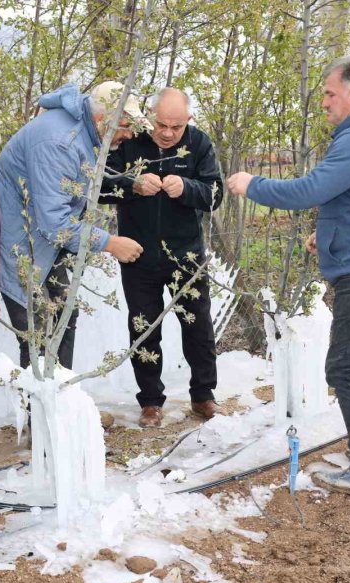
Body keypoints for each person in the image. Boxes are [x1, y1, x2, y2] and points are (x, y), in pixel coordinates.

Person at [227, 56, 350, 500]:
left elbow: (310, 190)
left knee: (346, 368)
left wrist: (252, 183)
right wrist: (328, 233)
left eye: (331, 94)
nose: (325, 103)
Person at [0, 81, 146, 371]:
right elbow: (55, 225)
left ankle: (62, 406)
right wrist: (110, 243)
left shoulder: (81, 131)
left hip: (40, 244)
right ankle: (39, 415)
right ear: (103, 118)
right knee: (38, 330)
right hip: (17, 243)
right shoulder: (59, 141)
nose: (128, 135)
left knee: (64, 313)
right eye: (126, 126)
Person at [102, 88, 223, 428]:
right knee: (143, 328)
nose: (168, 133)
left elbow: (215, 195)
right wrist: (131, 185)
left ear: (189, 121)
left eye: (176, 126)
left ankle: (203, 396)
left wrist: (187, 188)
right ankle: (151, 402)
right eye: (161, 125)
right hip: (137, 254)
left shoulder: (199, 144)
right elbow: (98, 187)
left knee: (198, 325)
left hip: (186, 254)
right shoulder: (129, 142)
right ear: (149, 118)